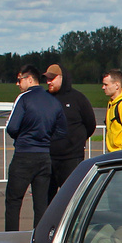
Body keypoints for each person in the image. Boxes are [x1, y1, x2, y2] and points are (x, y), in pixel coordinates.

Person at [4, 65, 66, 231]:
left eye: (19, 80)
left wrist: (24, 136)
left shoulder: (23, 98)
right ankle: (39, 238)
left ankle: (11, 237)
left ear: (29, 79)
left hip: (24, 155)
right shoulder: (53, 102)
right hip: (44, 156)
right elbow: (61, 131)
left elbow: (11, 127)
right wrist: (45, 139)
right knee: (41, 203)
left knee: (13, 201)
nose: (18, 84)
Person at [43, 64, 97, 202]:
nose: (48, 82)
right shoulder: (44, 98)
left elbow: (90, 124)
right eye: (47, 79)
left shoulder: (78, 99)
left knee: (71, 199)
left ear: (62, 78)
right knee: (45, 200)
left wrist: (76, 141)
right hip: (47, 158)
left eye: (52, 79)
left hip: (71, 158)